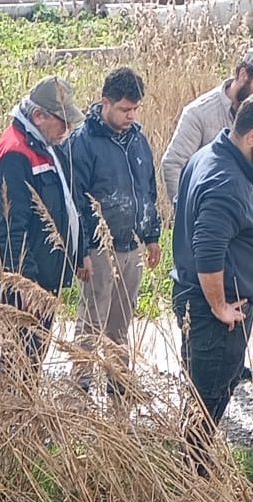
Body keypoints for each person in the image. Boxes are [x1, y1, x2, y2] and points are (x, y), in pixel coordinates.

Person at [172, 92, 253, 438]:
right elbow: (208, 250)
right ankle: (194, 463)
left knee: (199, 394)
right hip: (214, 313)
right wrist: (219, 306)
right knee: (208, 399)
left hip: (200, 298)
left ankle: (192, 456)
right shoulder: (225, 181)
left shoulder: (209, 155)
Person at [0, 76, 87, 377]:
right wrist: (24, 286)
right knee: (20, 365)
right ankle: (14, 406)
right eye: (62, 122)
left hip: (44, 276)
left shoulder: (43, 143)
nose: (66, 129)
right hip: (27, 285)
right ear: (39, 115)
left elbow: (66, 201)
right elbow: (10, 230)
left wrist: (79, 253)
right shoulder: (16, 154)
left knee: (32, 360)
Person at [70, 67, 162, 392]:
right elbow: (76, 201)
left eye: (135, 109)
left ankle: (117, 378)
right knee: (92, 318)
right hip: (98, 248)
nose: (131, 115)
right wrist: (81, 251)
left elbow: (148, 190)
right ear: (105, 102)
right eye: (124, 109)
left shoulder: (138, 139)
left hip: (132, 245)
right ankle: (81, 379)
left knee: (122, 318)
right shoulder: (83, 142)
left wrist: (152, 236)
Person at [161, 47, 253, 215]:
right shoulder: (198, 113)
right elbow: (173, 163)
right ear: (243, 74)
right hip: (212, 221)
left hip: (252, 220)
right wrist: (188, 213)